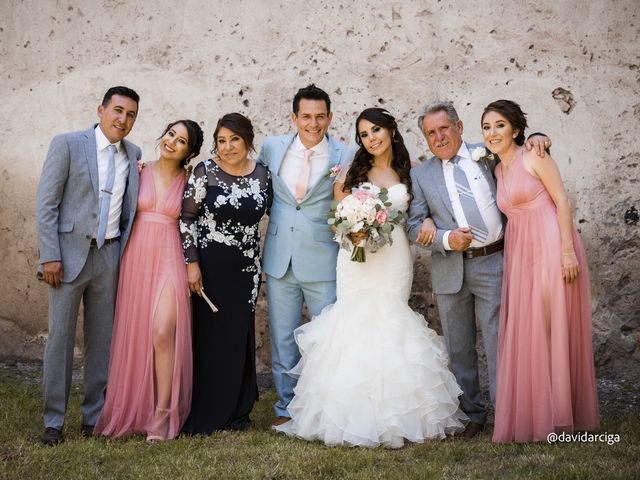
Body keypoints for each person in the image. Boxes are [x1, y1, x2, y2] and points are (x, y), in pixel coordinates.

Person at [274, 108, 466, 448]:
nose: (371, 138)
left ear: (391, 130)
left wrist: (429, 224)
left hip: (393, 260)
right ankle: (349, 417)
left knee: (392, 323)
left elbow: (421, 214)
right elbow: (335, 221)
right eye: (364, 134)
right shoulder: (350, 172)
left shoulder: (412, 173)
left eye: (376, 130)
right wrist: (355, 229)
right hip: (356, 259)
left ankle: (400, 416)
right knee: (354, 326)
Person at [407, 101, 550, 438]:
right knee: (459, 347)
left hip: (494, 262)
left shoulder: (486, 152)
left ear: (458, 127)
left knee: (501, 342)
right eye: (431, 133)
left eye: (444, 128)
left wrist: (538, 137)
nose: (439, 137)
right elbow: (415, 226)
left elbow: (518, 149)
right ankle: (472, 414)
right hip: (449, 269)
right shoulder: (420, 174)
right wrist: (444, 238)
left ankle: (507, 413)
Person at [480, 100, 599, 443]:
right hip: (522, 252)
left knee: (552, 324)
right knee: (532, 328)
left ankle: (563, 417)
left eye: (500, 125)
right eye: (487, 126)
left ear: (516, 130)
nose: (492, 132)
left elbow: (561, 199)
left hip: (550, 245)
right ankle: (537, 414)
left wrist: (566, 251)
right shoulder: (497, 170)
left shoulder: (533, 156)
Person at [35, 86, 141, 445]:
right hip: (65, 258)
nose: (122, 120)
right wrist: (50, 255)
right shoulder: (67, 144)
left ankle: (93, 417)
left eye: (130, 115)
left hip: (109, 256)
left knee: (103, 341)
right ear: (100, 110)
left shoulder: (134, 155)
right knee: (60, 340)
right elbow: (47, 203)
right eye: (117, 111)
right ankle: (53, 421)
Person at [94, 120, 204, 442]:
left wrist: (193, 264)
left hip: (171, 255)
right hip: (137, 256)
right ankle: (132, 408)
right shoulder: (136, 168)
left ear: (189, 151)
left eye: (181, 140)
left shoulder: (191, 181)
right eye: (170, 134)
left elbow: (195, 223)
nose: (172, 142)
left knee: (162, 330)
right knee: (137, 332)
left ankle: (162, 413)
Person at [256, 85, 355, 426]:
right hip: (280, 257)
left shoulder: (345, 155)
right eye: (306, 117)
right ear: (294, 117)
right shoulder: (272, 148)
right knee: (283, 338)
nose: (313, 124)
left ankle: (326, 409)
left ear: (329, 117)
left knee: (326, 339)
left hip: (323, 257)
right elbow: (246, 179)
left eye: (320, 117)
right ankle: (286, 408)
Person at [180, 113, 272, 434]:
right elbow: (187, 218)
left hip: (246, 270)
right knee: (210, 339)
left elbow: (278, 210)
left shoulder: (263, 175)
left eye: (234, 139)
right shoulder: (205, 172)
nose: (228, 146)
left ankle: (236, 412)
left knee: (237, 337)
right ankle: (206, 411)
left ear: (248, 139)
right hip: (209, 268)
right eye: (221, 140)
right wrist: (191, 263)